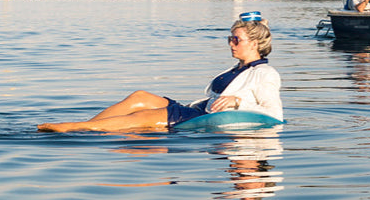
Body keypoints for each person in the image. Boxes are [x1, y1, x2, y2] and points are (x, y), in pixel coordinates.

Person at [37, 14, 283, 132]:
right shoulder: (238, 69)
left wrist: (238, 102)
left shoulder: (265, 74)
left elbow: (275, 114)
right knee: (139, 96)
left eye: (236, 39)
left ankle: (74, 128)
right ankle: (90, 127)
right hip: (197, 110)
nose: (230, 43)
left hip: (202, 119)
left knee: (145, 116)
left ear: (254, 43)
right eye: (229, 38)